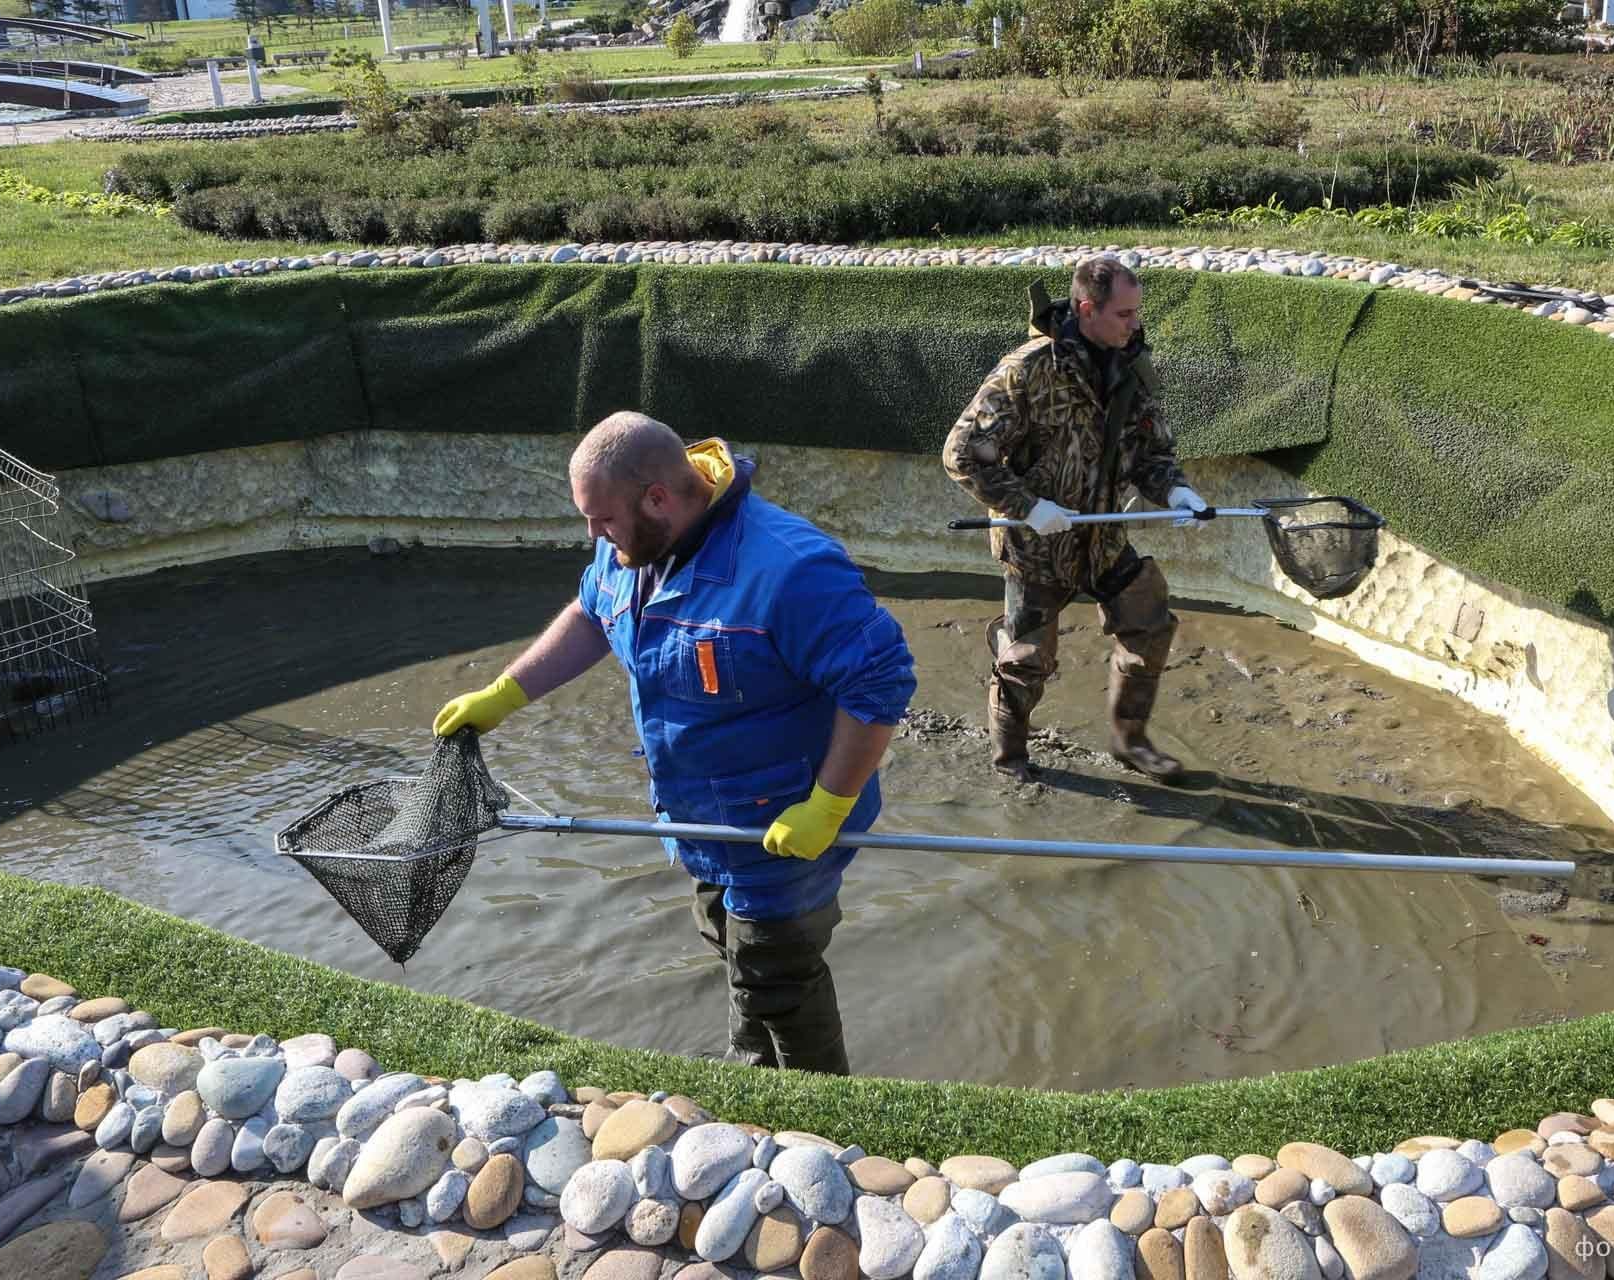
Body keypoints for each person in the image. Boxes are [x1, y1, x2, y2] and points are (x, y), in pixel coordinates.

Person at [433, 412, 915, 1075]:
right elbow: (591, 614)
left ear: (659, 497)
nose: (593, 535)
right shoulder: (633, 544)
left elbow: (879, 686)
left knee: (776, 974)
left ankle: (814, 1118)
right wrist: (504, 694)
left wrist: (828, 805)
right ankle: (770, 1080)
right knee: (730, 942)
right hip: (697, 817)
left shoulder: (788, 570)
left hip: (784, 821)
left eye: (601, 519)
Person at [943, 256, 1206, 783]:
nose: (1135, 324)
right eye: (1124, 314)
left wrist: (1177, 490)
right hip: (1037, 545)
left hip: (1104, 538)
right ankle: (1010, 759)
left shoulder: (1131, 363)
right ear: (1087, 309)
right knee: (1026, 660)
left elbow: (1150, 451)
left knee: (1149, 619)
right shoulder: (1028, 370)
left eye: (1137, 313)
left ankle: (1131, 741)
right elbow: (961, 453)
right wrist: (1029, 508)